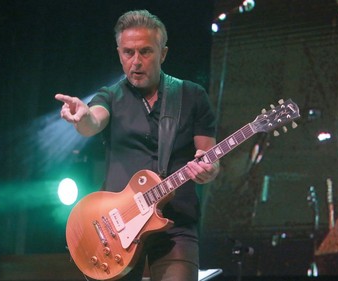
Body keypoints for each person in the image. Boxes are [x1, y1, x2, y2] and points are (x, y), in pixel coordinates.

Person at [55, 9, 219, 281]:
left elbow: (209, 158)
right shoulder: (110, 95)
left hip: (175, 224)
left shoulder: (191, 95)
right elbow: (93, 122)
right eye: (128, 52)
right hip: (115, 226)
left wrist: (209, 170)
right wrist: (82, 118)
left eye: (146, 52)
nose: (136, 61)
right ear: (119, 52)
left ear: (163, 53)